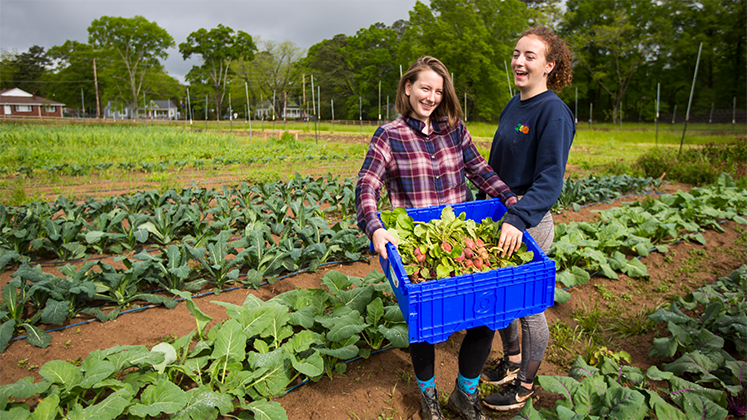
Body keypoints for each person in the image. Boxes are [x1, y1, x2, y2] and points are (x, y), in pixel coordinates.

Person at [355, 56, 522, 420]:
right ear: (408, 88)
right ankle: (428, 396)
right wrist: (375, 226)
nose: (431, 97)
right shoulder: (390, 135)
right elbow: (368, 183)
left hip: (458, 238)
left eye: (438, 91)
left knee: (486, 313)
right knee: (426, 324)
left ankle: (465, 393)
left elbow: (480, 171)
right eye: (424, 88)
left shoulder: (455, 130)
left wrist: (512, 201)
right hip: (417, 246)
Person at [476, 26, 575, 411]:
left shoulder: (553, 112)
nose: (519, 61)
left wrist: (517, 219)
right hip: (502, 219)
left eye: (530, 56)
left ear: (549, 65)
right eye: (516, 53)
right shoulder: (513, 104)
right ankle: (512, 360)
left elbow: (550, 181)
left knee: (527, 305)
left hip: (528, 224)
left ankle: (526, 384)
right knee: (502, 299)